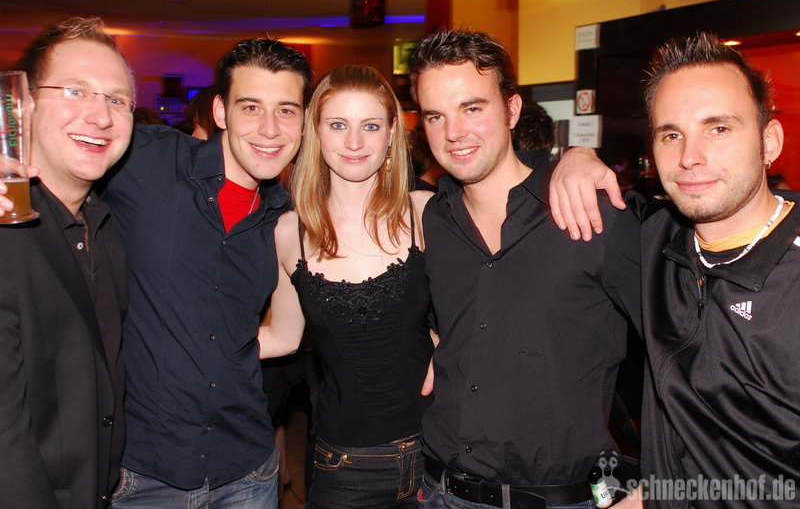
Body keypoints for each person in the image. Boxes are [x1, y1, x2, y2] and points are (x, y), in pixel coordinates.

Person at [549, 32, 800, 508]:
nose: (689, 157)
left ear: (769, 141)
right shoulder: (654, 237)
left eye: (718, 128)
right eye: (671, 134)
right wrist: (576, 156)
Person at [407, 29, 641, 508]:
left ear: (511, 110)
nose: (453, 132)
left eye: (472, 108)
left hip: (558, 497)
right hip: (437, 489)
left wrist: (656, 489)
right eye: (436, 115)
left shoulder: (592, 214)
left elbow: (680, 354)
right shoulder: (435, 220)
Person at [100, 39, 311, 507]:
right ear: (220, 111)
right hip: (144, 476)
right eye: (251, 107)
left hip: (247, 471)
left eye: (286, 111)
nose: (270, 128)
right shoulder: (146, 161)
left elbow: (284, 336)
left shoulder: (285, 220)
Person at [257, 64, 435, 507]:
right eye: (338, 125)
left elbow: (492, 294)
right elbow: (283, 337)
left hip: (439, 452)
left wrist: (576, 160)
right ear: (315, 133)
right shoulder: (289, 233)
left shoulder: (424, 213)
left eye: (370, 126)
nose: (354, 142)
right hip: (346, 466)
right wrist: (184, 344)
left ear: (391, 134)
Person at [0, 17, 133, 508]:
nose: (101, 116)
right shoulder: (6, 226)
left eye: (117, 100)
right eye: (76, 92)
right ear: (25, 106)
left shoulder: (106, 228)